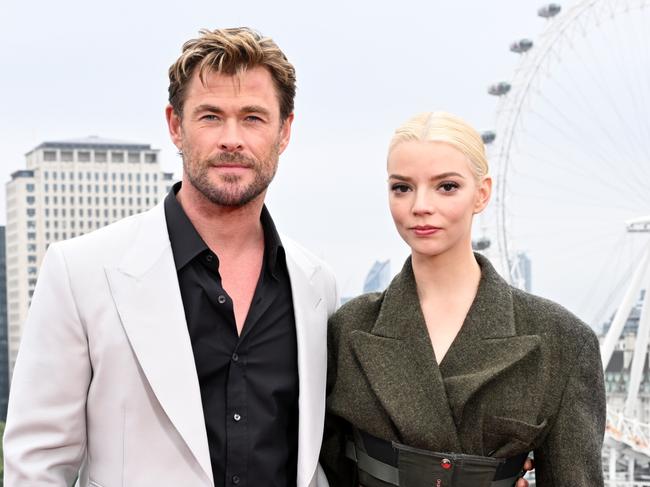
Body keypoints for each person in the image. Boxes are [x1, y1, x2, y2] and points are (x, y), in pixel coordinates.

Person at [4, 28, 338, 487]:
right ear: (176, 126)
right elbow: (36, 465)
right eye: (211, 116)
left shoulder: (317, 285)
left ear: (285, 132)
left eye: (253, 118)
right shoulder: (79, 272)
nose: (231, 139)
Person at [321, 111, 606, 486]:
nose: (420, 205)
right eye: (402, 187)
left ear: (482, 193)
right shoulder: (349, 327)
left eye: (447, 187)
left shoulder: (563, 341)